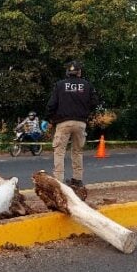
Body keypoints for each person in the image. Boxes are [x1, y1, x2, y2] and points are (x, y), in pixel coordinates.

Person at [46, 60, 99, 189]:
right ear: (79, 72)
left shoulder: (60, 85)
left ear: (68, 72)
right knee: (77, 151)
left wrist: (51, 119)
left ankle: (58, 181)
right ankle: (77, 179)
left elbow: (51, 105)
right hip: (81, 123)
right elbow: (95, 103)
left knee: (59, 151)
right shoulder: (87, 85)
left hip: (63, 122)